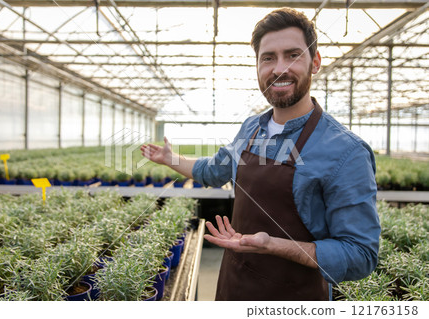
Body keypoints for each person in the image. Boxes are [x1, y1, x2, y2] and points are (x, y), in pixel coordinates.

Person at [141, 7, 380, 301]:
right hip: (233, 286)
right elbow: (215, 171)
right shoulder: (252, 128)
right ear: (257, 66)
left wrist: (273, 245)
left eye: (293, 55)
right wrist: (171, 159)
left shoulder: (346, 150)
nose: (279, 68)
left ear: (315, 62)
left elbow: (361, 254)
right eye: (268, 58)